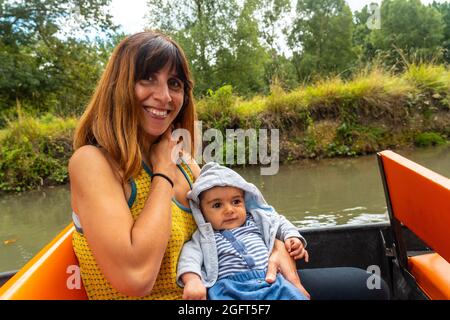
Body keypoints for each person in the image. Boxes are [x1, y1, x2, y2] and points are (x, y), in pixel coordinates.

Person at [68, 30, 307, 300]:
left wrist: (276, 245)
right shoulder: (92, 162)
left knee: (352, 281)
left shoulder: (185, 163)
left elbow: (233, 217)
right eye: (147, 78)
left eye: (174, 83)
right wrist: (162, 173)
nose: (165, 96)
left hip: (226, 292)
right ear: (119, 86)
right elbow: (136, 279)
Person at [177, 162, 311, 300]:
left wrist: (292, 237)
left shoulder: (255, 220)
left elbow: (279, 222)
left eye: (236, 202)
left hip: (271, 282)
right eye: (217, 205)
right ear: (201, 211)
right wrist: (192, 280)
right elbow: (189, 258)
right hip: (229, 289)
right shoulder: (203, 236)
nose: (229, 210)